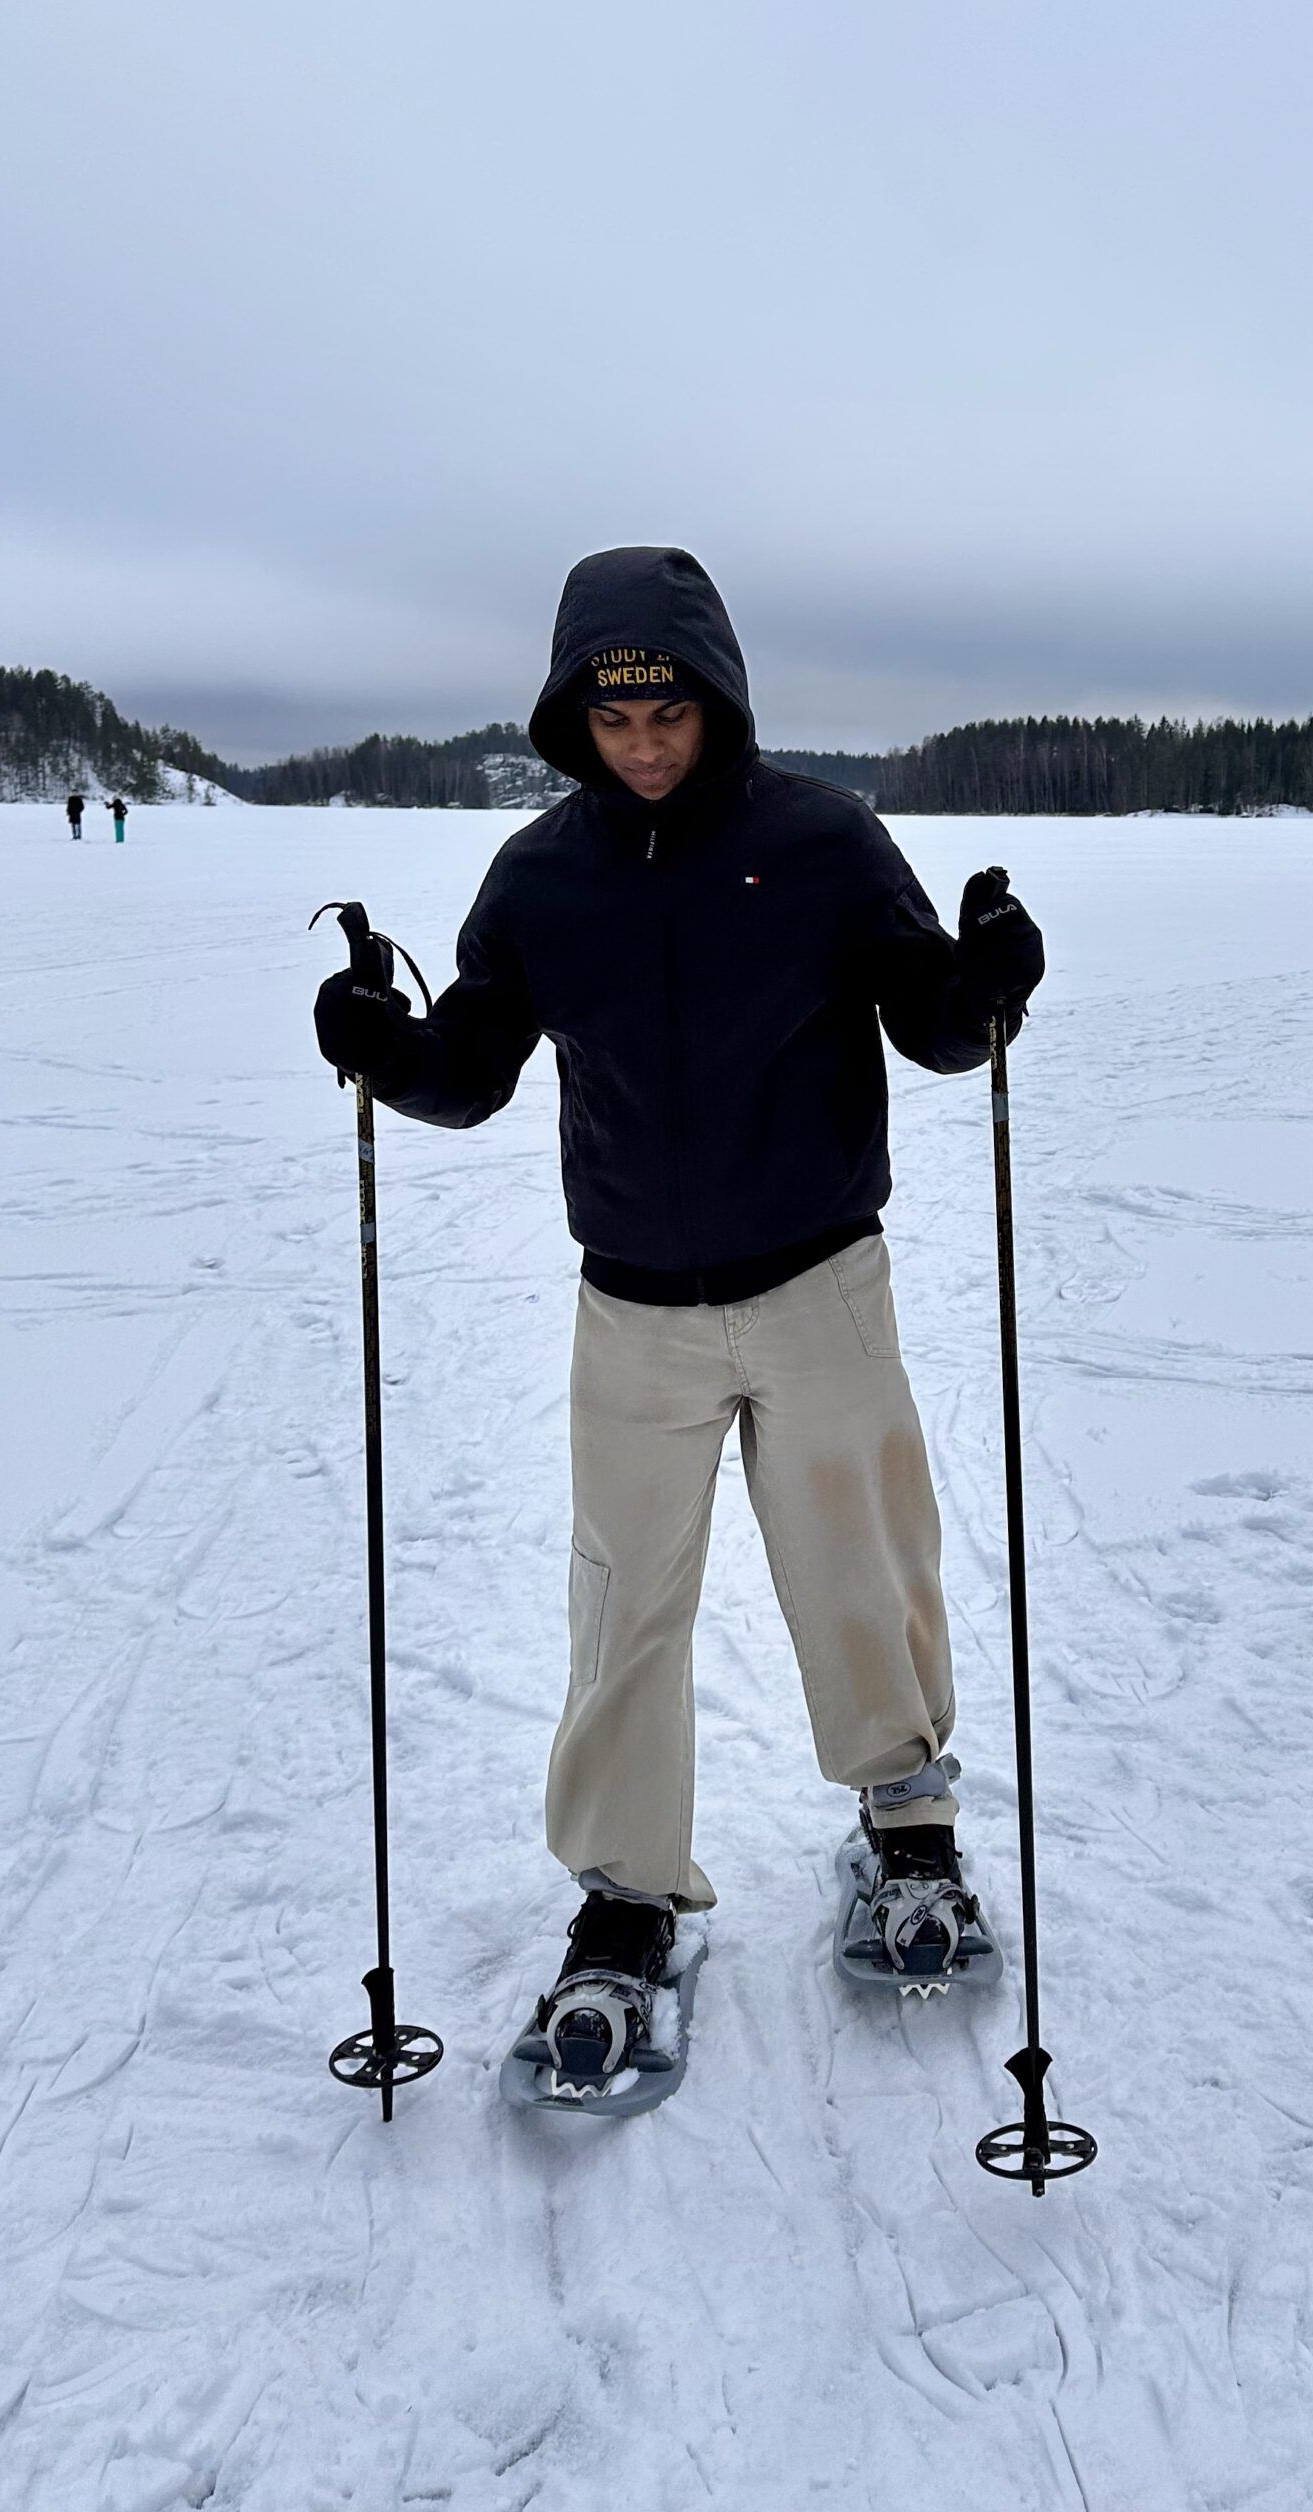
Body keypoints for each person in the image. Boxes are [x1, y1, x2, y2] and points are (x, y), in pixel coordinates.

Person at [313, 547, 1046, 2087]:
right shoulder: (539, 878)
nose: (642, 744)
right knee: (623, 1603)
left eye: (668, 714)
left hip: (819, 1286)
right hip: (634, 1311)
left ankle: (907, 1825)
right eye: (611, 718)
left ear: (716, 701)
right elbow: (472, 1067)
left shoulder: (827, 841)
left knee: (866, 1562)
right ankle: (629, 1897)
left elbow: (929, 1021)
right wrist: (387, 1053)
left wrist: (987, 988)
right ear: (574, 716)